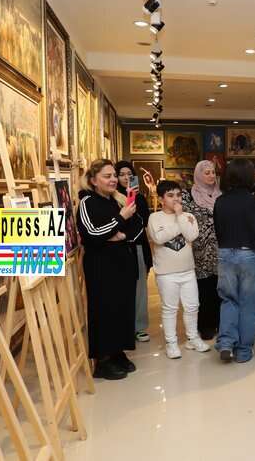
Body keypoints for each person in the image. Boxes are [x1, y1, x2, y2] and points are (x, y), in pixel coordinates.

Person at [77, 159, 144, 380]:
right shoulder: (87, 202)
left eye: (114, 175)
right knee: (104, 310)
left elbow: (138, 226)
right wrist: (120, 218)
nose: (114, 179)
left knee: (123, 308)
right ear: (93, 180)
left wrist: (121, 235)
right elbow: (92, 234)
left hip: (123, 264)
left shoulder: (119, 199)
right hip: (101, 267)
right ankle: (103, 360)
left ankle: (118, 352)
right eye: (107, 176)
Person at [147, 181, 211, 358]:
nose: (176, 199)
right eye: (170, 195)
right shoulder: (155, 218)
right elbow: (159, 238)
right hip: (166, 272)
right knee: (170, 308)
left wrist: (180, 216)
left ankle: (193, 338)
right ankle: (171, 343)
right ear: (161, 199)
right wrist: (179, 222)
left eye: (178, 195)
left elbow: (192, 235)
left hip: (188, 269)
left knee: (192, 306)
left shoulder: (188, 216)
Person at [214, 159, 255, 363]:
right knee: (249, 303)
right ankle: (243, 350)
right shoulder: (253, 201)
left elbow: (218, 230)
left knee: (228, 299)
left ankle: (226, 342)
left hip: (225, 253)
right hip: (249, 254)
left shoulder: (220, 201)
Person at [181, 160, 222, 340]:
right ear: (198, 174)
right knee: (204, 290)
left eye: (213, 172)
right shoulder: (188, 196)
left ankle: (220, 322)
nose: (211, 176)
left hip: (220, 249)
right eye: (207, 173)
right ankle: (205, 325)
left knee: (220, 288)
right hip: (199, 250)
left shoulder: (221, 194)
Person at [115, 161, 153, 344]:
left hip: (138, 245)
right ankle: (123, 326)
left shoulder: (140, 197)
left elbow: (144, 220)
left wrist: (136, 198)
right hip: (118, 247)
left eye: (129, 174)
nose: (126, 178)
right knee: (121, 288)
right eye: (121, 174)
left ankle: (139, 327)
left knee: (139, 289)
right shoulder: (112, 197)